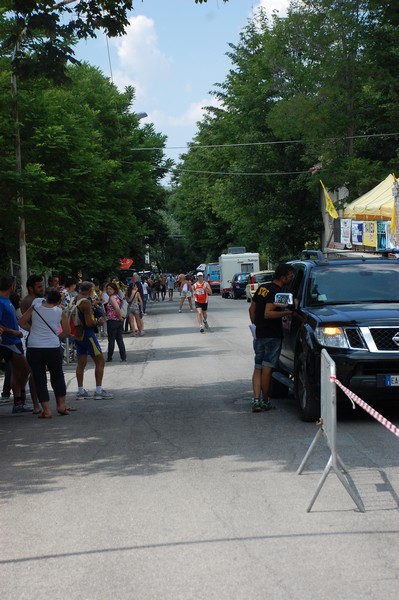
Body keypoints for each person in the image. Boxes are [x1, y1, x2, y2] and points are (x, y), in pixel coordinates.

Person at [249, 263, 295, 412]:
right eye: (290, 276)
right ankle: (265, 400)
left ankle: (256, 401)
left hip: (259, 334)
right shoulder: (277, 292)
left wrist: (255, 325)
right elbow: (268, 313)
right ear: (283, 277)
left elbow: (252, 308)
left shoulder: (263, 288)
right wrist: (287, 313)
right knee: (267, 368)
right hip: (273, 335)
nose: (292, 278)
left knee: (257, 367)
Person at [19, 289, 70, 418]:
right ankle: (61, 406)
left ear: (46, 298)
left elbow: (21, 322)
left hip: (34, 347)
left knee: (39, 378)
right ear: (58, 301)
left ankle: (46, 410)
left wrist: (33, 330)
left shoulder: (35, 307)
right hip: (53, 347)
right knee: (58, 376)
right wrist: (56, 337)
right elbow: (67, 331)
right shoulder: (60, 312)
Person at [73, 281, 113, 400]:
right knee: (100, 361)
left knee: (81, 363)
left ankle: (80, 390)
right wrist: (98, 322)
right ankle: (99, 391)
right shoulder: (85, 303)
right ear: (90, 291)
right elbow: (89, 322)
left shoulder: (74, 299)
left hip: (78, 334)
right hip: (88, 335)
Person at [0, 276, 31, 414]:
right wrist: (13, 331)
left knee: (17, 371)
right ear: (11, 285)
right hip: (9, 342)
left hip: (14, 341)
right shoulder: (1, 302)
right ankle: (19, 400)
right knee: (25, 369)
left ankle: (18, 402)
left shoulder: (7, 300)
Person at [105, 282, 127, 362]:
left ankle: (109, 357)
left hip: (113, 320)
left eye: (110, 289)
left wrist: (120, 317)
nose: (108, 290)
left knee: (111, 340)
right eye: (107, 289)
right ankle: (123, 356)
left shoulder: (112, 298)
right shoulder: (117, 297)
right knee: (119, 339)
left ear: (114, 289)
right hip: (118, 321)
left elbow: (117, 308)